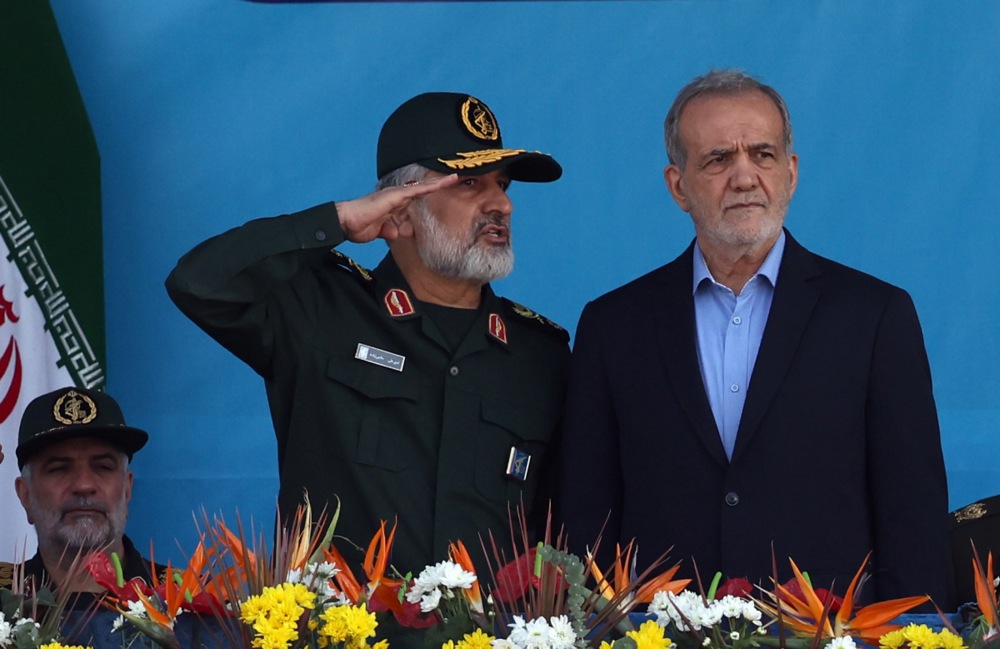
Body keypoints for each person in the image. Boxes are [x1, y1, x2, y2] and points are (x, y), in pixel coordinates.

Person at [556, 70, 949, 605]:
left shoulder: (875, 315)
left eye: (762, 155)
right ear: (678, 186)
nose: (744, 177)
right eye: (718, 159)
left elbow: (913, 517)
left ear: (790, 172)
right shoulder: (614, 325)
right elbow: (587, 519)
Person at [166, 92, 570, 574]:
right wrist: (335, 220)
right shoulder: (320, 312)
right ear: (400, 208)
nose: (501, 203)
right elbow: (198, 282)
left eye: (502, 185)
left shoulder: (540, 354)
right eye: (470, 183)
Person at [4, 386, 151, 603]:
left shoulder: (193, 604)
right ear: (25, 494)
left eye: (103, 467)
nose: (83, 485)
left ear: (127, 488)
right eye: (59, 468)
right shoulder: (3, 597)